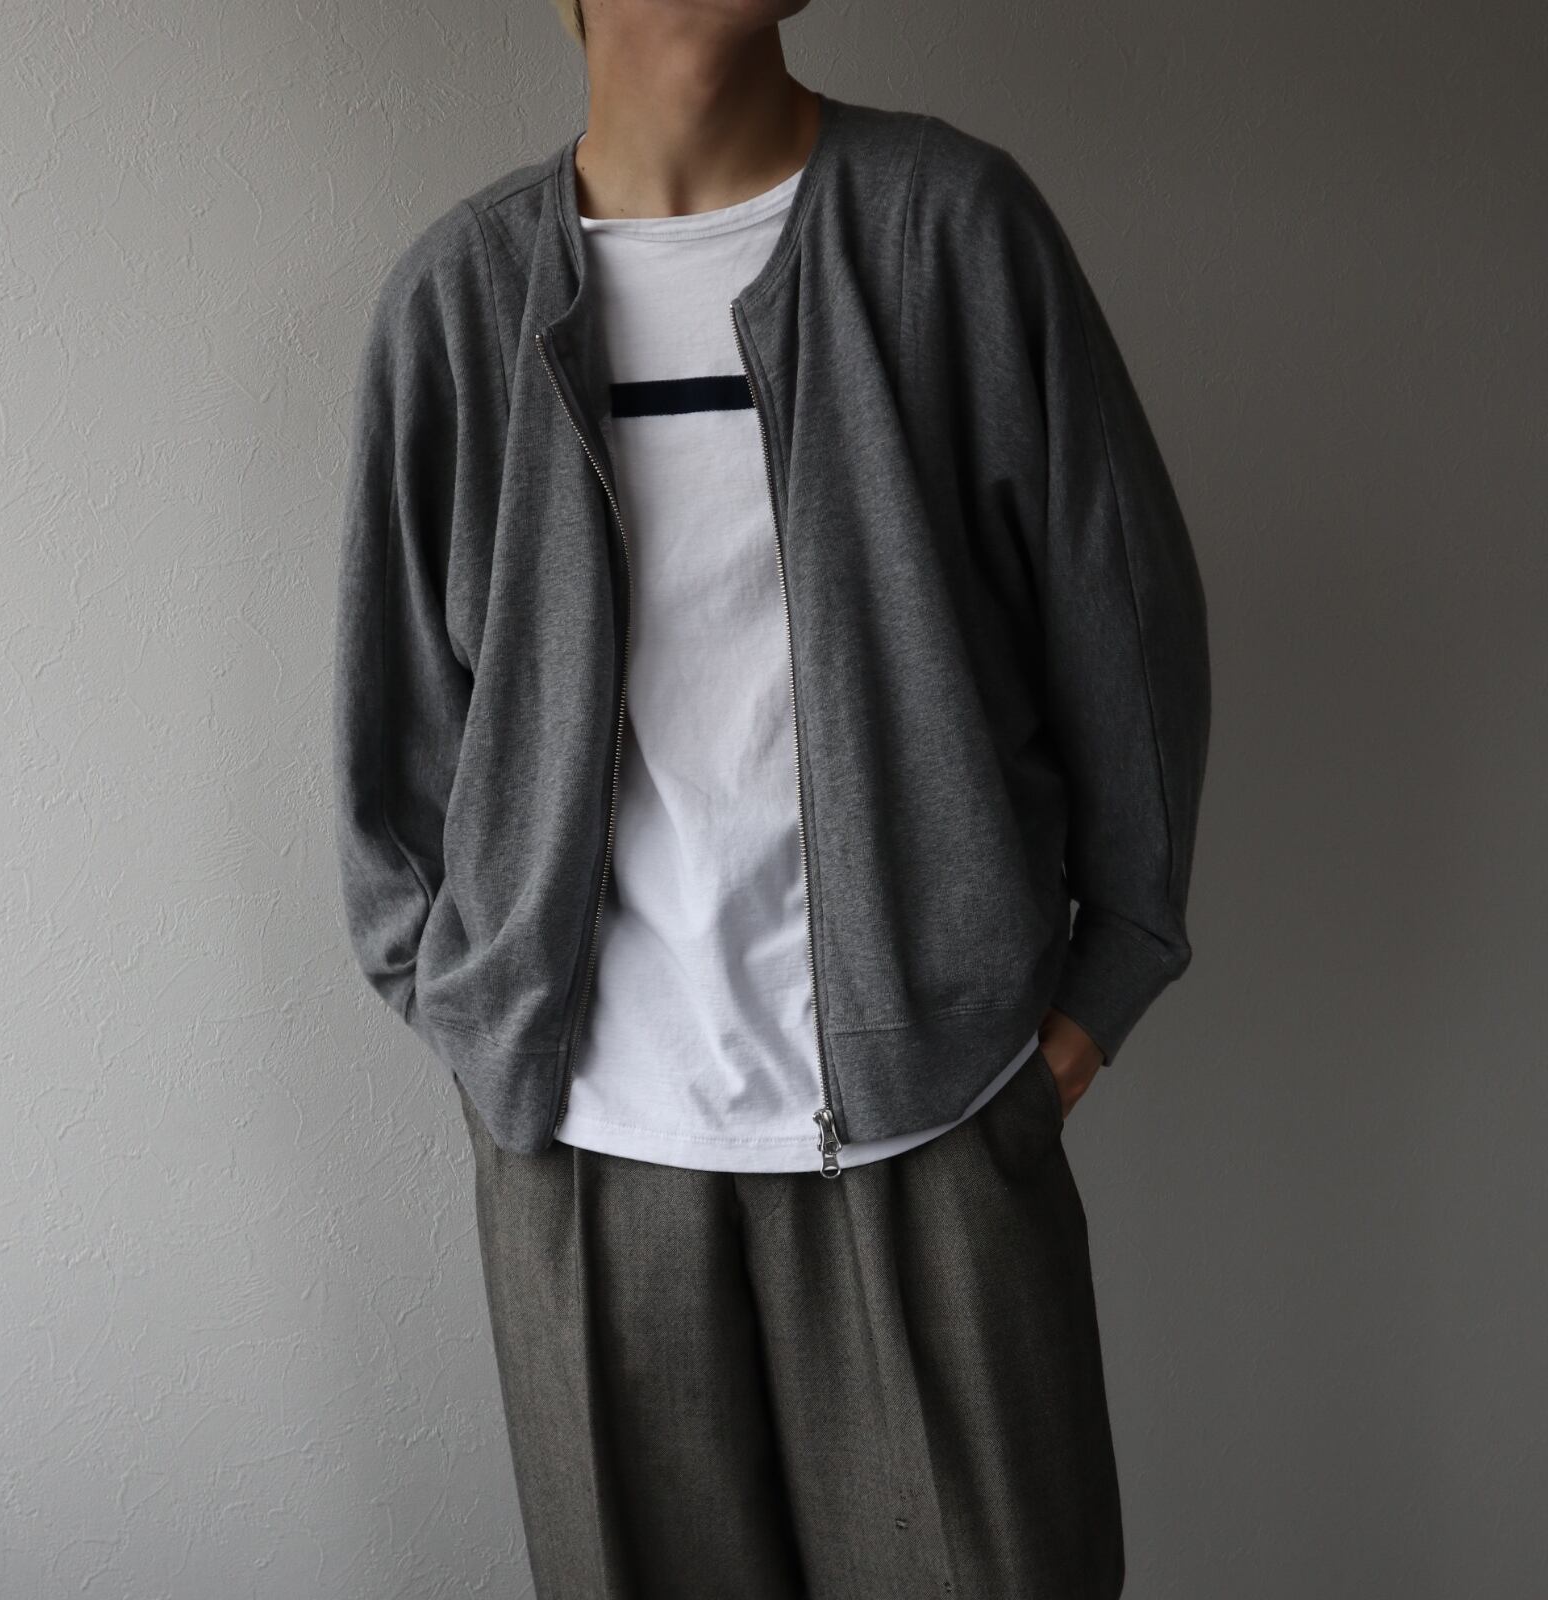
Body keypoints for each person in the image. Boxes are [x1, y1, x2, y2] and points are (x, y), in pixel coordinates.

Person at [331, 0, 1211, 1593]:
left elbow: (1125, 621)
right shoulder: (459, 305)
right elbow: (392, 749)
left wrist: (1098, 993)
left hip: (934, 1124)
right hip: (591, 1161)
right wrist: (483, 1023)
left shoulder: (946, 231)